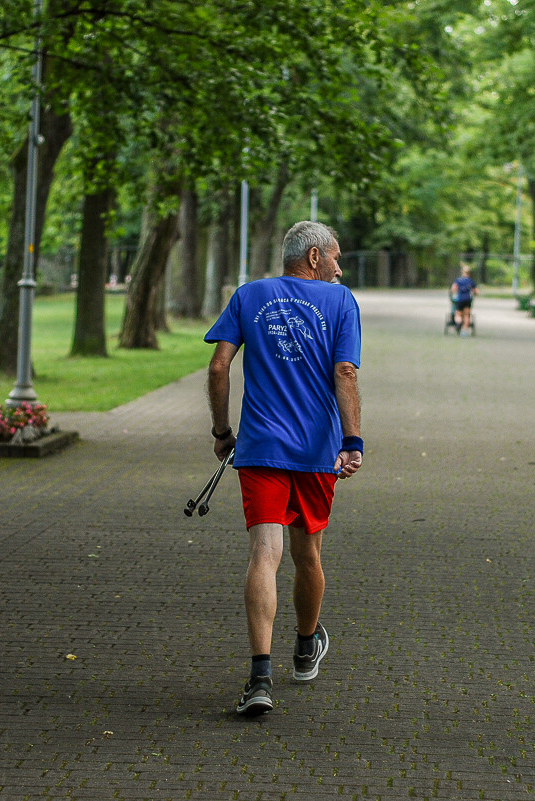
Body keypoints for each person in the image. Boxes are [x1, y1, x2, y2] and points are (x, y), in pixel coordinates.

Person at [205, 220, 363, 717]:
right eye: (335, 257)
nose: (339, 268)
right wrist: (352, 441)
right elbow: (345, 371)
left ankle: (259, 678)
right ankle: (305, 646)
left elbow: (218, 366)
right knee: (307, 554)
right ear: (314, 257)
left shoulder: (249, 295)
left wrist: (222, 432)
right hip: (317, 451)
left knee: (264, 555)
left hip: (260, 448)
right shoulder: (341, 302)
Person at [450, 265, 477, 336]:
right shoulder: (471, 281)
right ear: (469, 273)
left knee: (458, 314)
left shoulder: (458, 280)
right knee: (466, 315)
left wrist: (455, 293)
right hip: (468, 299)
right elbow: (476, 291)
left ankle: (458, 323)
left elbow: (453, 289)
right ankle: (463, 331)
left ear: (462, 272)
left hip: (460, 299)